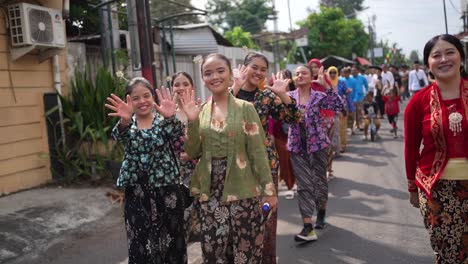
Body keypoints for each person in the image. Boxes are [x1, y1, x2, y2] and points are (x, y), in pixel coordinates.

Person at [178, 53, 278, 263]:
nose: (214, 76)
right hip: (210, 192)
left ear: (230, 75)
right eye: (208, 73)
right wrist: (192, 121)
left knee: (245, 251)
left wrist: (269, 191)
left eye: (220, 71)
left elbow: (258, 153)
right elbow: (193, 151)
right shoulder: (202, 111)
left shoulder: (246, 109)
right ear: (203, 79)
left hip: (244, 189)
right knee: (213, 251)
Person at [105, 78, 187, 263]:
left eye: (146, 95)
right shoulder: (128, 126)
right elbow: (119, 136)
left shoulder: (163, 121)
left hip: (167, 192)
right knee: (140, 242)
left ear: (153, 97)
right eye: (136, 98)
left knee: (172, 241)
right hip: (138, 194)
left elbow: (178, 137)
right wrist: (125, 121)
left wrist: (170, 117)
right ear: (130, 102)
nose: (142, 101)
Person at [231, 52, 301, 264]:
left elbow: (294, 118)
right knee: (239, 219)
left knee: (266, 216)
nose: (259, 72)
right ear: (244, 67)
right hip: (233, 165)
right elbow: (216, 114)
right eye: (255, 67)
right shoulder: (228, 94)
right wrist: (234, 87)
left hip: (264, 164)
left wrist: (284, 95)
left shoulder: (267, 96)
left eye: (263, 69)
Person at [404, 34, 468, 263]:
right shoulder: (417, 101)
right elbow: (411, 147)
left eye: (450, 52)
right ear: (428, 64)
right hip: (436, 190)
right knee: (449, 253)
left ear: (461, 56)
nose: (444, 59)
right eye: (436, 55)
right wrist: (412, 187)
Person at [288, 64, 344, 241]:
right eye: (296, 74)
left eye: (303, 72)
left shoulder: (319, 96)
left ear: (310, 76)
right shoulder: (288, 97)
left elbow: (338, 105)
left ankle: (321, 212)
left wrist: (326, 85)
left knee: (319, 181)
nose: (300, 75)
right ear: (293, 79)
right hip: (297, 147)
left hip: (318, 146)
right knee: (304, 185)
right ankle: (307, 227)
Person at [350, 65, 369, 130]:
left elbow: (366, 86)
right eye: (352, 70)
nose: (353, 71)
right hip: (351, 97)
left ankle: (360, 124)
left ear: (358, 71)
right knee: (353, 112)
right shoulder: (350, 78)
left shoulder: (362, 77)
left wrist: (366, 94)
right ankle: (355, 124)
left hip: (360, 97)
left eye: (354, 70)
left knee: (360, 110)